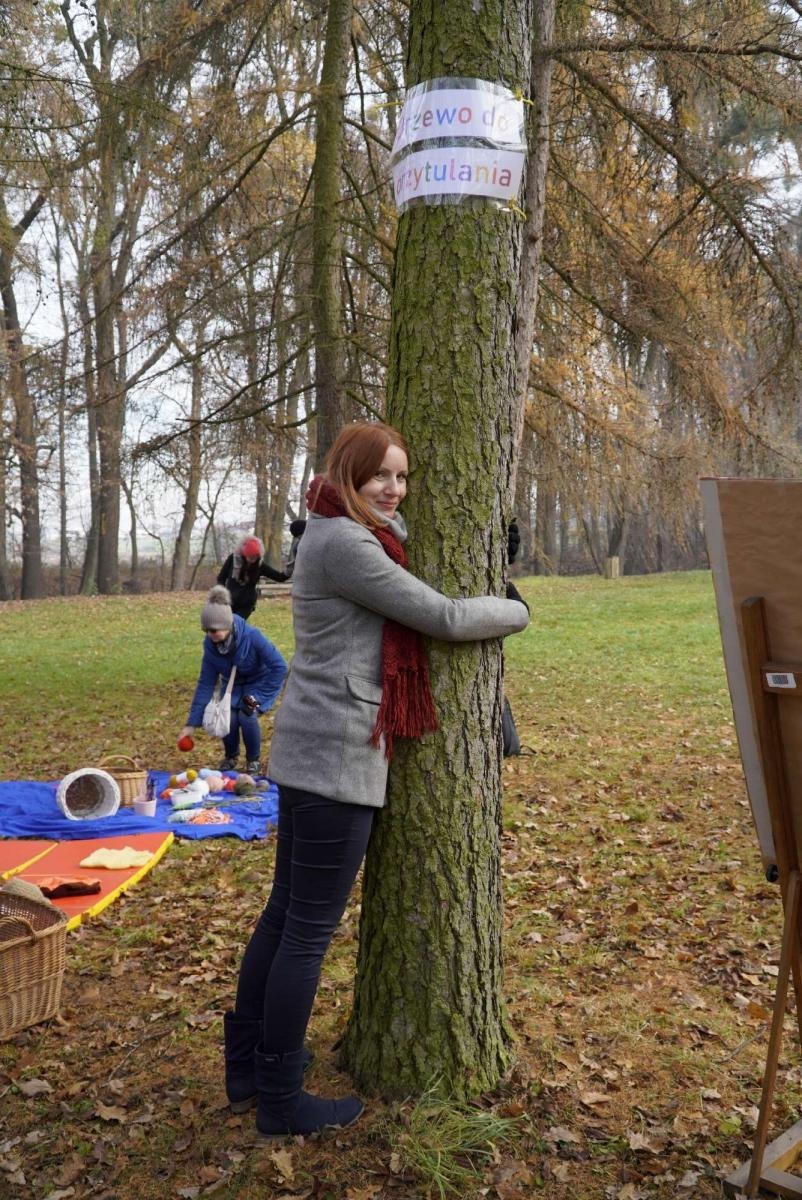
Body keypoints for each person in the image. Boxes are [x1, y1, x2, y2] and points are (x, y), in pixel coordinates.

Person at [222, 422, 530, 1139]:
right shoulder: (349, 545)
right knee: (305, 933)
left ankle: (245, 1070)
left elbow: (403, 549)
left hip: (306, 752)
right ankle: (279, 1098)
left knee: (282, 918)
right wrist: (517, 607)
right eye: (378, 478)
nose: (393, 490)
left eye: (402, 476)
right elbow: (448, 617)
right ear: (349, 478)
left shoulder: (332, 532)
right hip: (336, 761)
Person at [178, 585, 287, 774]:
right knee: (228, 716)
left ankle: (253, 760)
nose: (212, 635)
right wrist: (191, 725)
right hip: (233, 685)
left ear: (227, 625)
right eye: (207, 631)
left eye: (215, 630)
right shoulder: (211, 647)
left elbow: (280, 668)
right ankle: (230, 756)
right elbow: (206, 683)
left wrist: (258, 697)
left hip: (258, 684)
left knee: (246, 714)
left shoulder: (252, 637)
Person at [217, 536, 288, 621]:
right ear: (244, 554)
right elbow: (221, 578)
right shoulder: (233, 559)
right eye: (250, 557)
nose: (252, 560)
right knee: (224, 626)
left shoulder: (260, 565)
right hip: (229, 601)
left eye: (255, 557)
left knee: (236, 625)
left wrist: (291, 569)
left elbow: (279, 577)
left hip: (246, 604)